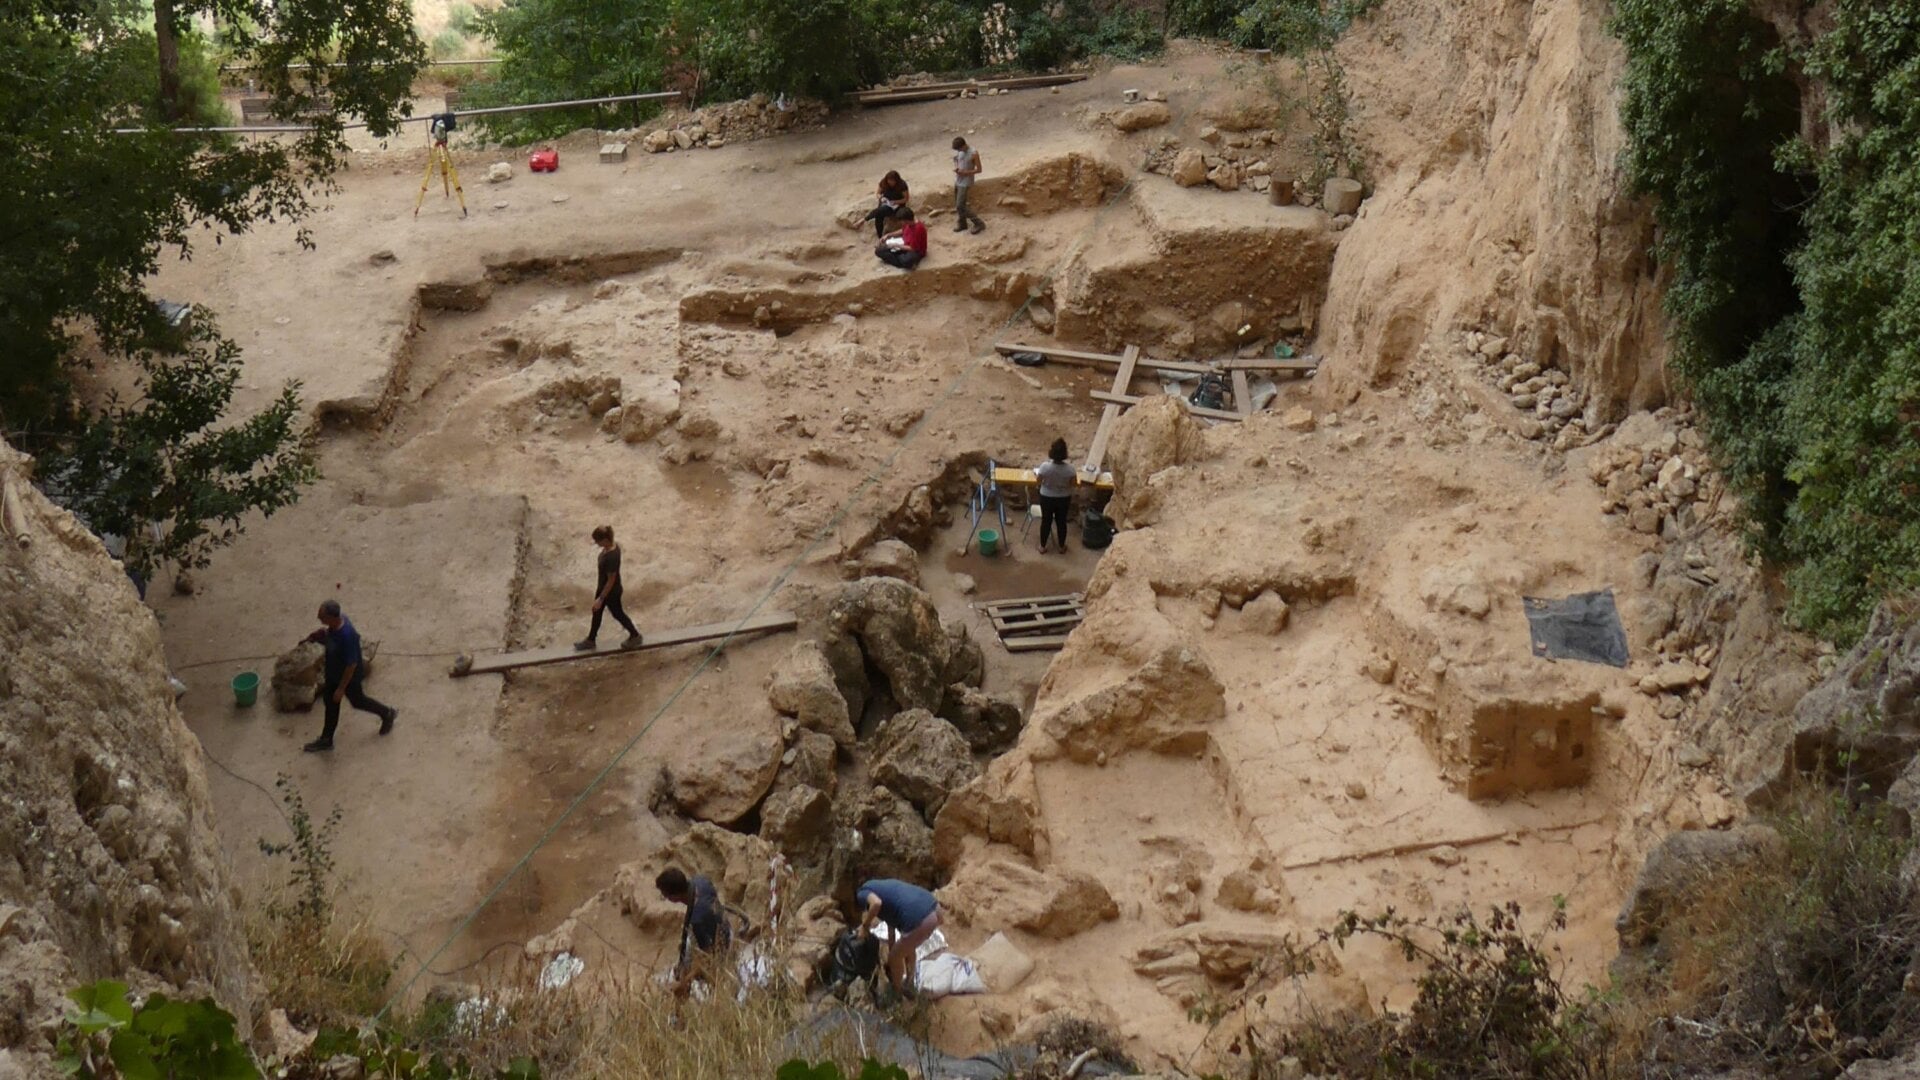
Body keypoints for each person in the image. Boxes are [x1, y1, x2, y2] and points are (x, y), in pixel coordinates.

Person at [301, 599, 397, 753]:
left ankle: (387, 713)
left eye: (322, 617)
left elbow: (351, 665)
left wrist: (341, 688)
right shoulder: (336, 623)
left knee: (358, 701)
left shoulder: (347, 635)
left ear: (332, 618)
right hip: (333, 673)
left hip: (347, 678)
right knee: (330, 703)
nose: (319, 619)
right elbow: (331, 639)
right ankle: (326, 739)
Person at [855, 878, 942, 996]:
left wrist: (865, 926)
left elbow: (876, 903)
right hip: (933, 906)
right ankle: (910, 982)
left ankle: (897, 993)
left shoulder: (862, 893)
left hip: (920, 918)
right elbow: (891, 932)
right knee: (906, 947)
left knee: (895, 957)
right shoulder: (882, 888)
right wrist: (893, 950)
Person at [657, 867, 731, 994]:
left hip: (721, 945)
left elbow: (708, 957)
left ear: (673, 897)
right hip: (725, 925)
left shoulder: (697, 920)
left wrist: (685, 981)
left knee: (682, 977)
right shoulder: (701, 881)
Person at [574, 525, 642, 651]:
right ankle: (591, 639)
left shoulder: (612, 556)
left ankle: (635, 635)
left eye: (598, 541)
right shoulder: (609, 548)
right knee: (597, 612)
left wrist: (601, 598)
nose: (597, 544)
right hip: (603, 588)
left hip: (611, 592)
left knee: (618, 614)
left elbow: (611, 580)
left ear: (605, 540)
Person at [1035, 437, 1076, 554]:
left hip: (1046, 497)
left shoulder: (1044, 467)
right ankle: (1061, 546)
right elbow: (1073, 484)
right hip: (1063, 498)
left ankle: (1042, 546)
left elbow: (1038, 481)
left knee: (1046, 521)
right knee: (1061, 522)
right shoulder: (1070, 469)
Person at [950, 137, 984, 234]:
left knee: (960, 205)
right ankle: (962, 223)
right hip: (958, 179)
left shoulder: (973, 153)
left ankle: (978, 223)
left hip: (965, 182)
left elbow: (979, 169)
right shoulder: (960, 152)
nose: (959, 151)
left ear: (964, 145)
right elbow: (957, 160)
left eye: (959, 149)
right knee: (958, 205)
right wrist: (957, 167)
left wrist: (965, 172)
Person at [863, 170, 911, 238]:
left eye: (892, 181)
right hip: (885, 202)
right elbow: (878, 193)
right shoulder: (884, 183)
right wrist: (881, 198)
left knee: (881, 211)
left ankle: (865, 219)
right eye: (889, 180)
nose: (890, 182)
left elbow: (906, 199)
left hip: (896, 205)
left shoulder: (902, 185)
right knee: (879, 215)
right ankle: (880, 236)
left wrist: (895, 202)